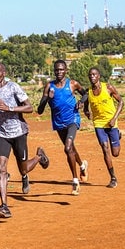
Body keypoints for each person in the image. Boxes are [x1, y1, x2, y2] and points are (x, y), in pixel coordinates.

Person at [0, 61, 49, 218]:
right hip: (2, 133)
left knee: (23, 169)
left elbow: (29, 107)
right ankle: (4, 206)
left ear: (4, 72)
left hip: (19, 132)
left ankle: (39, 156)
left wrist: (10, 108)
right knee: (1, 168)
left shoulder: (13, 87)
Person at [37, 59, 88, 195]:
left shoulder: (72, 84)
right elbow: (40, 110)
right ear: (54, 71)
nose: (59, 72)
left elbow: (86, 94)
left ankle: (75, 181)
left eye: (61, 69)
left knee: (67, 147)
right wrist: (48, 98)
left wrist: (81, 103)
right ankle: (82, 165)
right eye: (56, 70)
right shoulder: (49, 86)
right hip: (58, 122)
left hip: (72, 119)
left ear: (66, 71)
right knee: (71, 148)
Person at [83, 67, 124, 188]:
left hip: (111, 123)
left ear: (99, 76)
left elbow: (121, 102)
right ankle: (113, 178)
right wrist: (87, 112)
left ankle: (118, 135)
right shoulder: (88, 92)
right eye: (90, 75)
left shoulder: (108, 88)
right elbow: (86, 107)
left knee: (115, 153)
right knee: (105, 149)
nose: (92, 77)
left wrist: (114, 119)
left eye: (94, 74)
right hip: (99, 124)